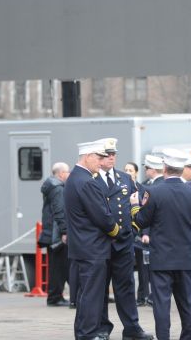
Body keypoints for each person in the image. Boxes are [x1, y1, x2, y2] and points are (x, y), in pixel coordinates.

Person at [130, 149, 191, 340]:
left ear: (164, 168)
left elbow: (142, 221)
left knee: (162, 304)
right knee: (188, 303)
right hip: (185, 256)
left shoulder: (154, 192)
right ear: (181, 170)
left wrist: (135, 206)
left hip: (161, 257)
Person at [94, 138, 153, 340]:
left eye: (113, 154)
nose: (111, 158)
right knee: (100, 288)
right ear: (98, 157)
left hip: (124, 243)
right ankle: (102, 327)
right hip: (101, 242)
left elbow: (141, 202)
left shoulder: (124, 178)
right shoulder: (92, 180)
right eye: (106, 155)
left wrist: (135, 227)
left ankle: (132, 328)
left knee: (126, 287)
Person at [64, 140, 121, 339]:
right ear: (88, 156)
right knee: (92, 295)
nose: (101, 162)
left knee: (85, 294)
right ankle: (88, 334)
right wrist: (116, 230)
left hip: (83, 246)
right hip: (93, 248)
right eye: (98, 158)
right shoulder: (87, 181)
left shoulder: (75, 178)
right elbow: (102, 217)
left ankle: (83, 332)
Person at [38, 162, 70, 307]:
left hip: (50, 233)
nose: (69, 175)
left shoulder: (51, 187)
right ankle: (55, 297)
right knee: (58, 267)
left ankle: (56, 295)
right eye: (67, 172)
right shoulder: (58, 189)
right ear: (61, 173)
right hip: (56, 235)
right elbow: (59, 211)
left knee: (57, 266)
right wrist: (64, 231)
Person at [126, 162, 152, 307]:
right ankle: (131, 297)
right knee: (128, 265)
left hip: (141, 232)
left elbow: (147, 212)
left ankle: (143, 296)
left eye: (131, 170)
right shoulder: (122, 187)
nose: (128, 172)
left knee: (143, 267)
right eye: (126, 170)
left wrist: (146, 233)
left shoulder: (143, 188)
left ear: (136, 173)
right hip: (127, 232)